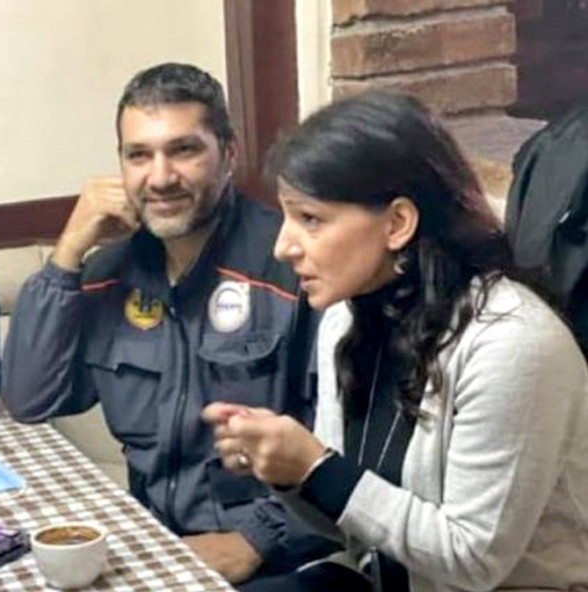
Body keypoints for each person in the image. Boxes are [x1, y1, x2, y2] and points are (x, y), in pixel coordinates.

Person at [204, 90, 588, 591]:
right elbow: (356, 526)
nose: (283, 246)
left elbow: (473, 561)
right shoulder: (345, 318)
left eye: (310, 219)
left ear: (398, 223)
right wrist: (286, 471)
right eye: (286, 216)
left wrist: (316, 468)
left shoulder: (514, 345)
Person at [2, 63, 327, 590]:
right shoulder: (109, 274)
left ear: (229, 154)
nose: (159, 178)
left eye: (183, 150)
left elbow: (348, 442)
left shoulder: (292, 267)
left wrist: (255, 540)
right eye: (139, 155)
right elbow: (29, 398)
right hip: (155, 546)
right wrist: (68, 251)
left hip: (281, 559)